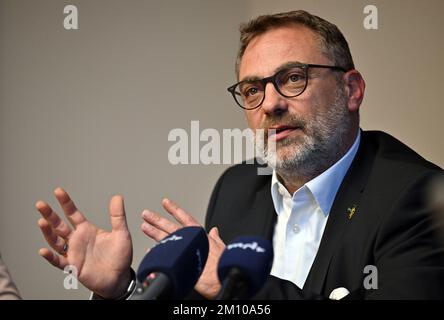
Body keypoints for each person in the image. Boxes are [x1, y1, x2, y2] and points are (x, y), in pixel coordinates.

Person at [35, 10, 444, 300]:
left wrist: (240, 288)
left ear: (351, 90)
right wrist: (123, 289)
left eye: (293, 78)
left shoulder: (420, 197)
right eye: (252, 90)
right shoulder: (236, 187)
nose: (270, 104)